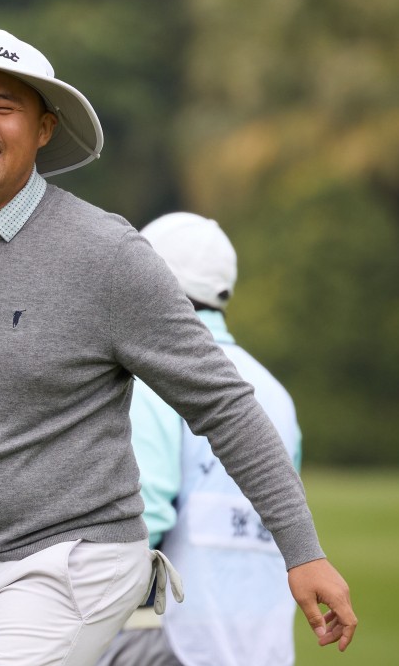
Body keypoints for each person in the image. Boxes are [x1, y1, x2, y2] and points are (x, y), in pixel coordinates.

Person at [0, 27, 357, 666]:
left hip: (70, 561)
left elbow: (222, 402)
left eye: (3, 107)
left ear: (44, 129)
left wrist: (302, 550)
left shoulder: (105, 255)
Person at [97, 213, 304, 666]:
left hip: (161, 641)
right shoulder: (275, 393)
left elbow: (140, 517)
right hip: (261, 646)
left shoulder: (152, 378)